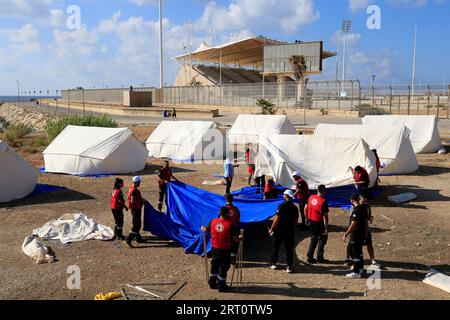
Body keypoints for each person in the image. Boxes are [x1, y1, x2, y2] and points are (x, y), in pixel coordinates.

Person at [202, 207, 243, 292]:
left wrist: (203, 228)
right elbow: (234, 238)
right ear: (227, 214)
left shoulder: (212, 221)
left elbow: (206, 229)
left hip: (215, 248)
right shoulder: (230, 224)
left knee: (215, 264)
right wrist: (240, 238)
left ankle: (212, 282)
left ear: (220, 213)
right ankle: (221, 285)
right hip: (225, 249)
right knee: (224, 267)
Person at [268, 190, 299, 274]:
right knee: (289, 249)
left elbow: (276, 219)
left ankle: (273, 263)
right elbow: (296, 220)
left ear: (286, 196)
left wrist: (271, 229)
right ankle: (289, 267)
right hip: (289, 231)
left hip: (279, 230)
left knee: (275, 247)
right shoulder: (295, 208)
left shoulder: (281, 206)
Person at [343, 194, 369, 279]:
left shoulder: (356, 210)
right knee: (359, 251)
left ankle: (356, 272)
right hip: (361, 234)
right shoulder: (364, 209)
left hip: (356, 234)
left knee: (354, 252)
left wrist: (346, 234)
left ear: (352, 200)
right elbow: (366, 222)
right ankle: (360, 268)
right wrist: (365, 233)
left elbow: (353, 224)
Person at [305, 185, 330, 264]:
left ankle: (310, 256)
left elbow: (306, 208)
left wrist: (306, 217)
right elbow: (325, 216)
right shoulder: (323, 201)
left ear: (317, 190)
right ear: (324, 192)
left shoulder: (311, 197)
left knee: (313, 238)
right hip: (318, 222)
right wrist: (326, 227)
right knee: (322, 239)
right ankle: (320, 257)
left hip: (310, 220)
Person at [124, 176, 147, 248]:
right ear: (137, 182)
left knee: (136, 223)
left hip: (135, 209)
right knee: (136, 226)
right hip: (135, 209)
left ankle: (138, 238)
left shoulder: (131, 188)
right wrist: (141, 200)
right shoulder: (134, 190)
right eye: (139, 182)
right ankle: (128, 240)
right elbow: (132, 200)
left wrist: (141, 199)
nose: (140, 183)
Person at [360, 193, 377, 266]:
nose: (364, 203)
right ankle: (355, 260)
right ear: (359, 200)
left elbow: (369, 216)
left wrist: (370, 218)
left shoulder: (367, 206)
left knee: (369, 244)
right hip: (358, 230)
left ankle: (372, 259)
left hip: (367, 228)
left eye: (365, 201)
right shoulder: (355, 208)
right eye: (363, 201)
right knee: (357, 246)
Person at [225, 194, 241, 265]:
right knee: (234, 245)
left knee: (225, 244)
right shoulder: (236, 209)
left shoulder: (223, 209)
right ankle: (234, 262)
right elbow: (238, 219)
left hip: (226, 229)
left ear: (225, 199)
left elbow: (220, 219)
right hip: (234, 228)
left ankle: (226, 260)